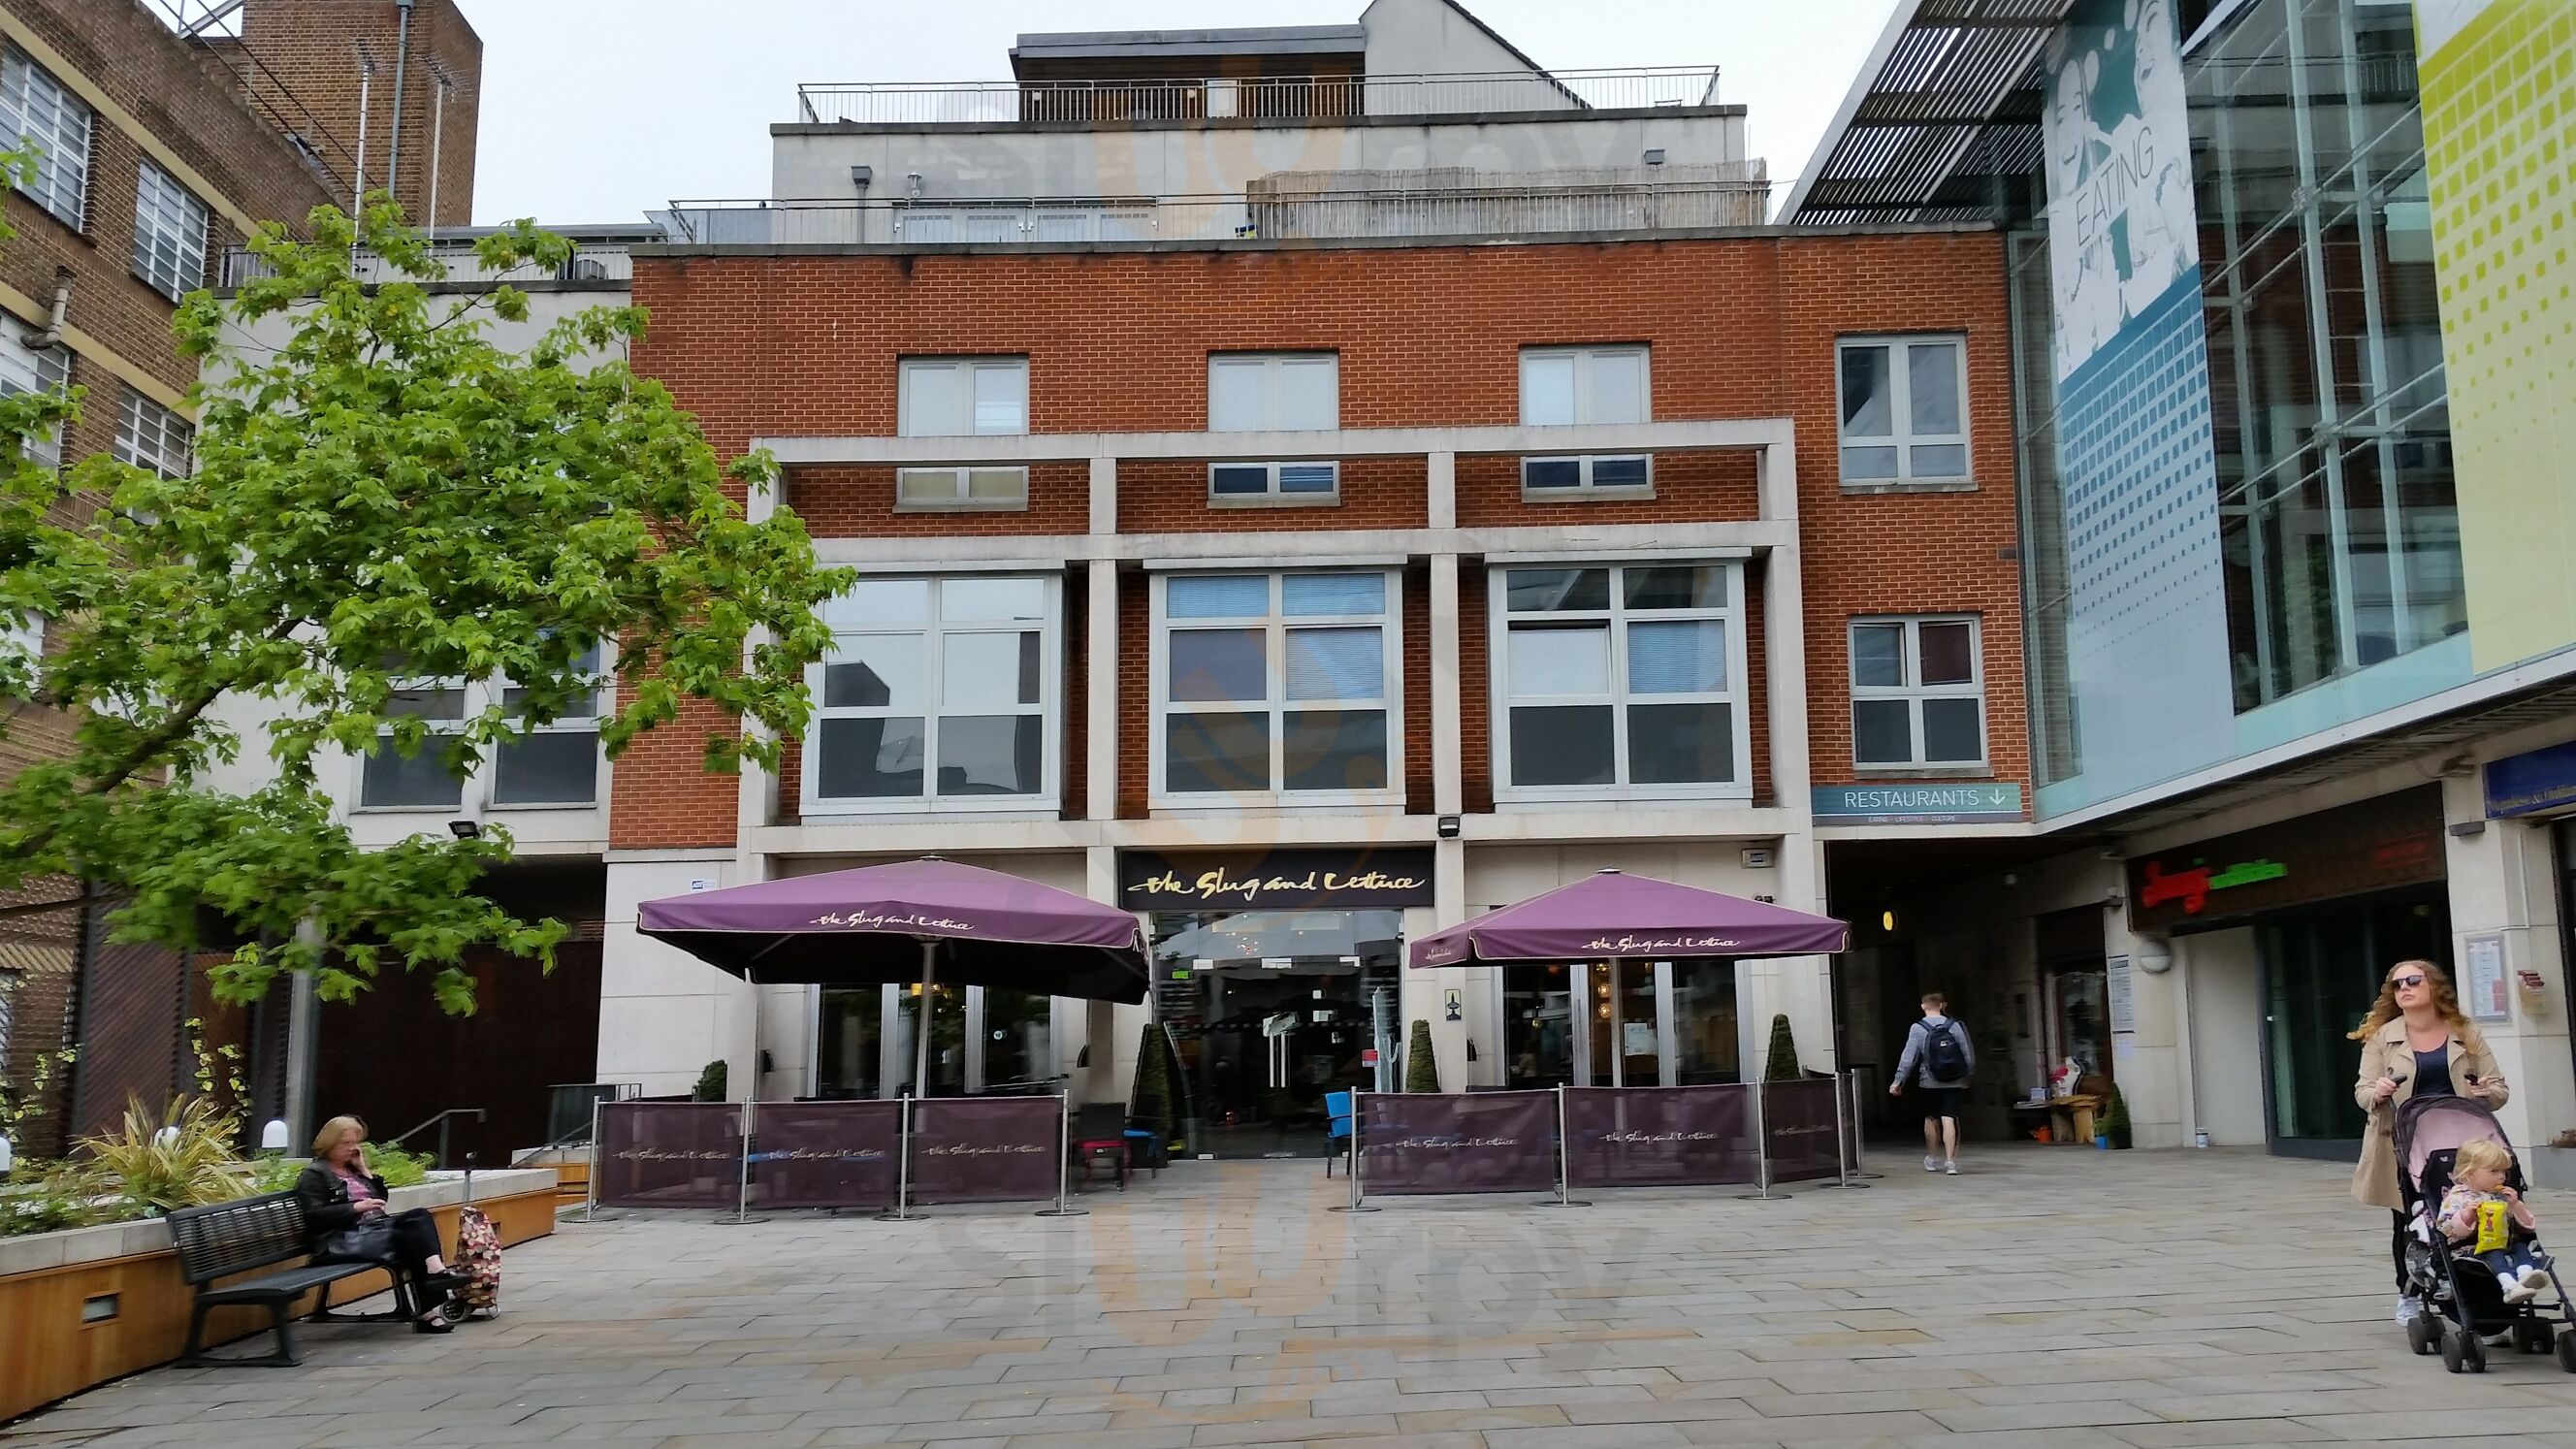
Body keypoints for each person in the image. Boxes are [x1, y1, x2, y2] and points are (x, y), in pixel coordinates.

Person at [2349, 958, 2509, 1325]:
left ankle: (2487, 1295)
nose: (2404, 988)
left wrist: (2485, 1091)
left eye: (2412, 981)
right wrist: (2379, 1091)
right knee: (2410, 1220)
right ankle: (2409, 1295)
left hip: (2463, 1144)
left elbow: (2499, 1090)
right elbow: (2362, 1091)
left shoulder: (2465, 1032)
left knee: (2480, 1213)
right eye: (2397, 984)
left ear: (2433, 986)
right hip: (2405, 1142)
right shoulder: (2383, 1036)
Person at [295, 1115, 459, 1333]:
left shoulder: (352, 1169)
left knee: (419, 1217)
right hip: (340, 1240)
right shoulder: (314, 1175)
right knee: (413, 1241)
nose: (353, 1148)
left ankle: (435, 1271)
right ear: (329, 1143)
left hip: (372, 1231)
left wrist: (364, 1169)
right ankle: (429, 1309)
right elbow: (313, 1216)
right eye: (346, 1143)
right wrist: (355, 1208)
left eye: (356, 1143)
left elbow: (381, 1199)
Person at [2438, 1138, 2557, 1304]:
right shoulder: (2458, 1198)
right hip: (2475, 1247)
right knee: (2495, 1253)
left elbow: (2528, 1226)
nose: (2501, 1177)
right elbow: (2446, 1227)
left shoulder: (2503, 1196)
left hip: (2507, 1241)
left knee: (2521, 1246)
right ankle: (2509, 1286)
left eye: (2504, 1172)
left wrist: (2516, 1205)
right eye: (2494, 1171)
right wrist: (2468, 1215)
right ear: (2469, 1173)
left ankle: (2525, 1276)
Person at [1889, 991, 1975, 1175]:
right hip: (1954, 1080)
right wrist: (1967, 1077)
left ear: (1923, 1006)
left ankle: (1932, 1158)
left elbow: (1908, 1058)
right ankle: (1951, 1162)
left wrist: (1898, 1081)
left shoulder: (1917, 1028)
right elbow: (1967, 1054)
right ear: (1943, 1005)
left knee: (1931, 1119)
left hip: (1929, 1081)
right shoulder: (1955, 1026)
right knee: (1949, 1118)